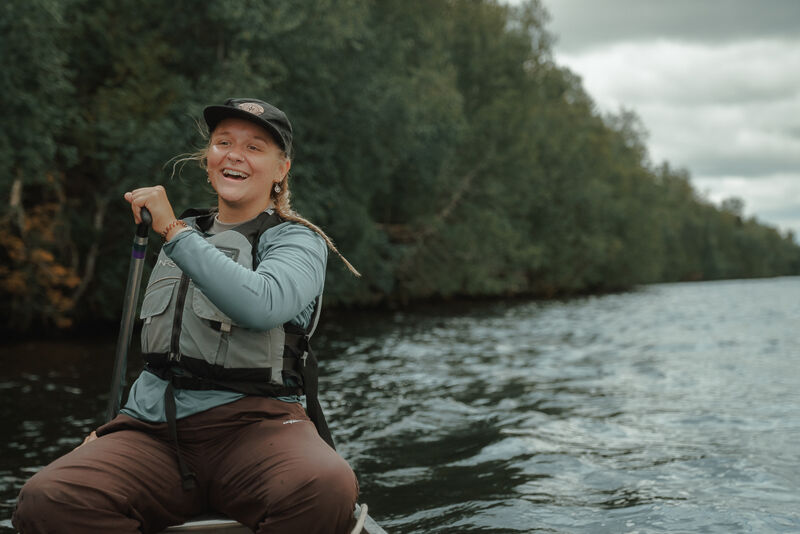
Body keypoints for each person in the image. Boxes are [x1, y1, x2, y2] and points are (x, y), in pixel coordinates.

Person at [13, 98, 360, 534]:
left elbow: (263, 303)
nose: (235, 154)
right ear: (208, 160)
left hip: (259, 426)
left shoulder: (295, 241)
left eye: (255, 147)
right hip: (155, 430)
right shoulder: (186, 234)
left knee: (326, 486)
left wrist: (172, 231)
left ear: (280, 170)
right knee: (47, 500)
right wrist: (116, 425)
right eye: (223, 143)